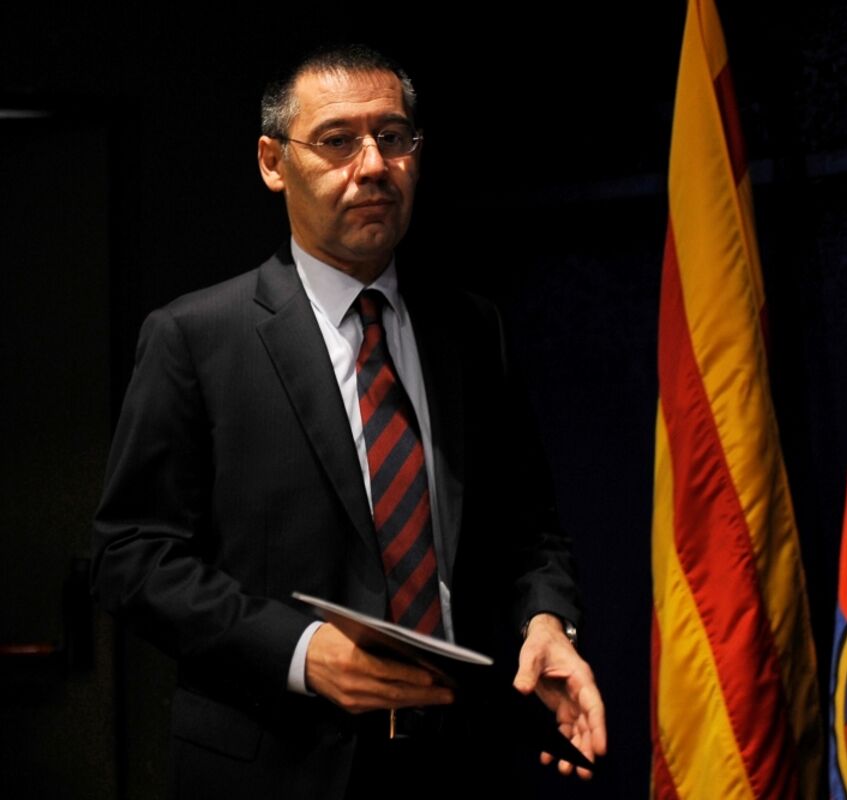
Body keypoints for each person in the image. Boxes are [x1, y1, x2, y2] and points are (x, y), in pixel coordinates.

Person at [91, 44, 605, 798]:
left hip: (461, 758)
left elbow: (530, 532)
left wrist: (548, 622)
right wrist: (300, 652)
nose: (373, 166)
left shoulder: (471, 329)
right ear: (273, 162)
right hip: (276, 765)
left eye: (393, 138)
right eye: (337, 141)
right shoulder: (196, 338)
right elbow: (130, 558)